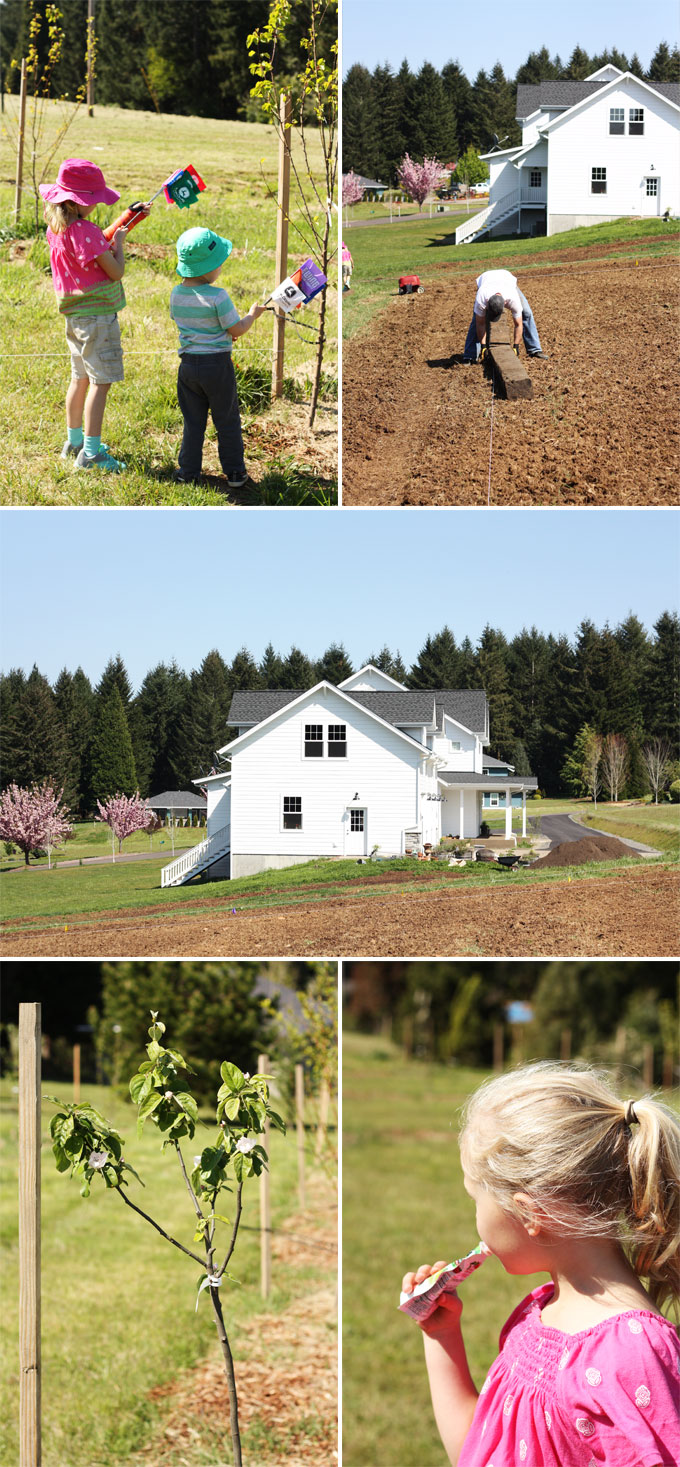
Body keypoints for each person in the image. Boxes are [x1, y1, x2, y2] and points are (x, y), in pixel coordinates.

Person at [402, 1062, 680, 1467]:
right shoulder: (536, 1314)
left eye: (475, 1199)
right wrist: (441, 1334)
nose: (474, 1217)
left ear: (530, 1214)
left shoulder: (633, 1357)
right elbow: (478, 1452)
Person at [40, 158, 147, 472]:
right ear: (81, 202)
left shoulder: (58, 228)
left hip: (75, 317)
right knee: (101, 382)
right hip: (98, 319)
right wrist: (120, 245)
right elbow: (115, 272)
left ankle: (74, 441)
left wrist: (117, 228)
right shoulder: (86, 231)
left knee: (80, 378)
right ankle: (91, 454)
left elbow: (90, 243)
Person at [170, 226, 266, 487]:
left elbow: (192, 325)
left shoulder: (176, 294)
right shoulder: (218, 296)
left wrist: (217, 334)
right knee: (227, 419)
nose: (221, 267)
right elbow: (236, 329)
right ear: (206, 268)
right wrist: (252, 315)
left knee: (193, 422)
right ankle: (235, 472)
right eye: (219, 263)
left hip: (188, 367)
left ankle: (187, 472)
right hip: (217, 368)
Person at [463, 269, 548, 362]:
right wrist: (483, 346)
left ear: (505, 304)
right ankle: (470, 356)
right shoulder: (482, 298)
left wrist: (516, 346)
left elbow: (518, 324)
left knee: (527, 313)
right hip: (486, 280)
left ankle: (534, 349)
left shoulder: (513, 298)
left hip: (506, 279)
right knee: (477, 319)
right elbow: (480, 324)